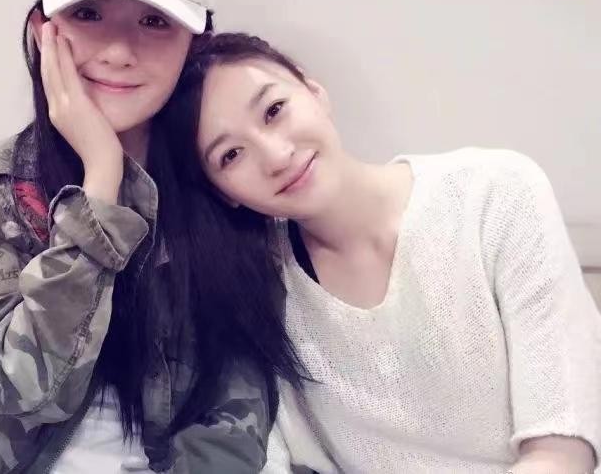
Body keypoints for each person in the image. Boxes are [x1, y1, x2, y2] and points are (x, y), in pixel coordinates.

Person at [0, 0, 304, 474]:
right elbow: (22, 393)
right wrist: (101, 181)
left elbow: (233, 411)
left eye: (154, 21)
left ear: (194, 43)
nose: (120, 51)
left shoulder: (226, 185)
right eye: (89, 13)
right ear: (43, 33)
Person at [159, 32, 601, 473]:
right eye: (231, 155)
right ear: (223, 193)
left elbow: (563, 451)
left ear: (314, 91)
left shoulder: (494, 194)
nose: (276, 156)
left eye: (274, 110)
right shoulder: (257, 290)